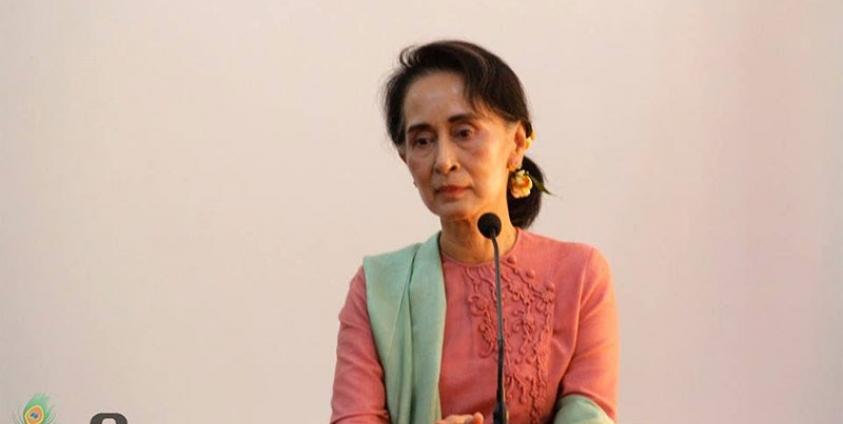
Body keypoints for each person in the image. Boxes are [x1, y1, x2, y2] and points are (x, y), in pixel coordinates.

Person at [330, 40, 619, 424]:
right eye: (422, 141)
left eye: (464, 132)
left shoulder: (580, 274)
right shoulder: (378, 289)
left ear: (517, 143)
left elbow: (589, 414)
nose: (443, 161)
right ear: (406, 159)